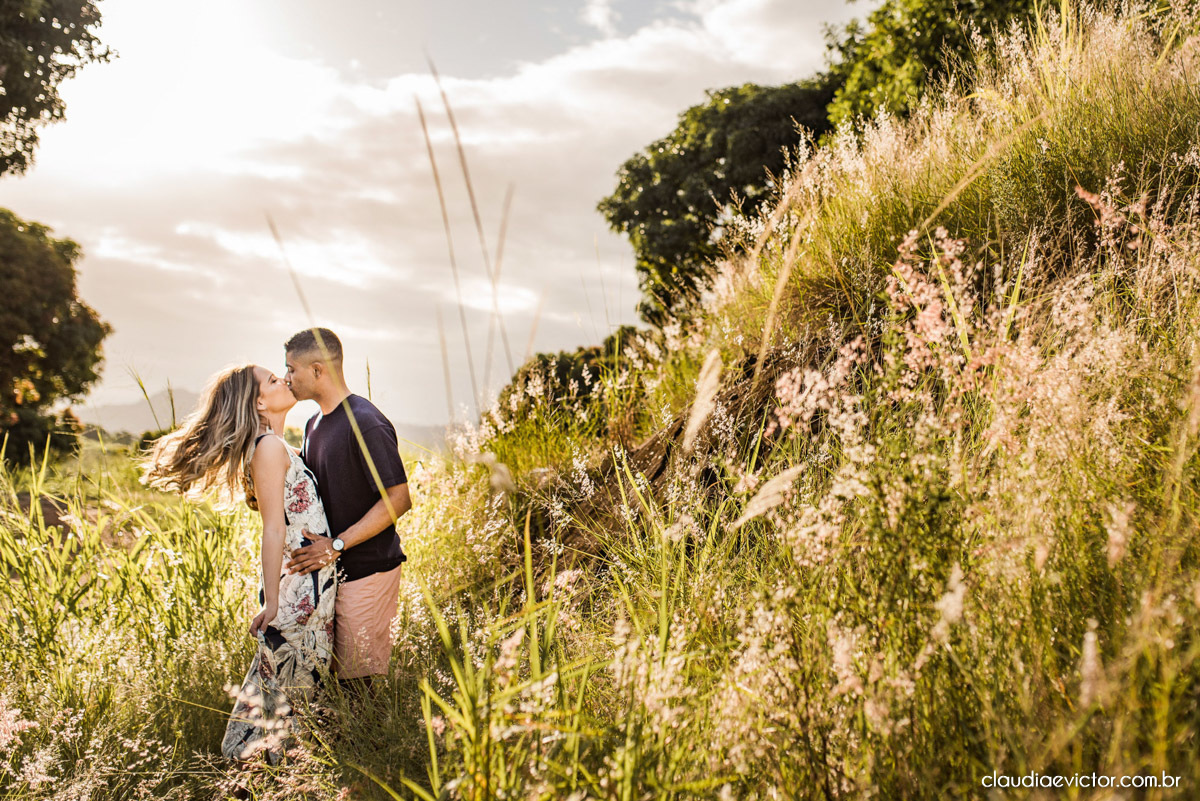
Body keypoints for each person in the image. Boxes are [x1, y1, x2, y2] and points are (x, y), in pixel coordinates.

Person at [142, 364, 338, 763]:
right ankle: (257, 773)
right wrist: (272, 603)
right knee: (287, 700)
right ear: (259, 403)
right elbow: (273, 530)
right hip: (300, 591)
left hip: (312, 585)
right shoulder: (267, 448)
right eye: (272, 380)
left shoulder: (279, 446)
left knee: (288, 698)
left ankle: (268, 773)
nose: (283, 380)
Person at [282, 328, 412, 687]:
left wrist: (337, 545)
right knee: (333, 683)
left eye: (291, 369)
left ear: (317, 370)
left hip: (367, 572)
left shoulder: (365, 421)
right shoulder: (313, 424)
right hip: (331, 575)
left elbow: (398, 498)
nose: (287, 377)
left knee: (359, 687)